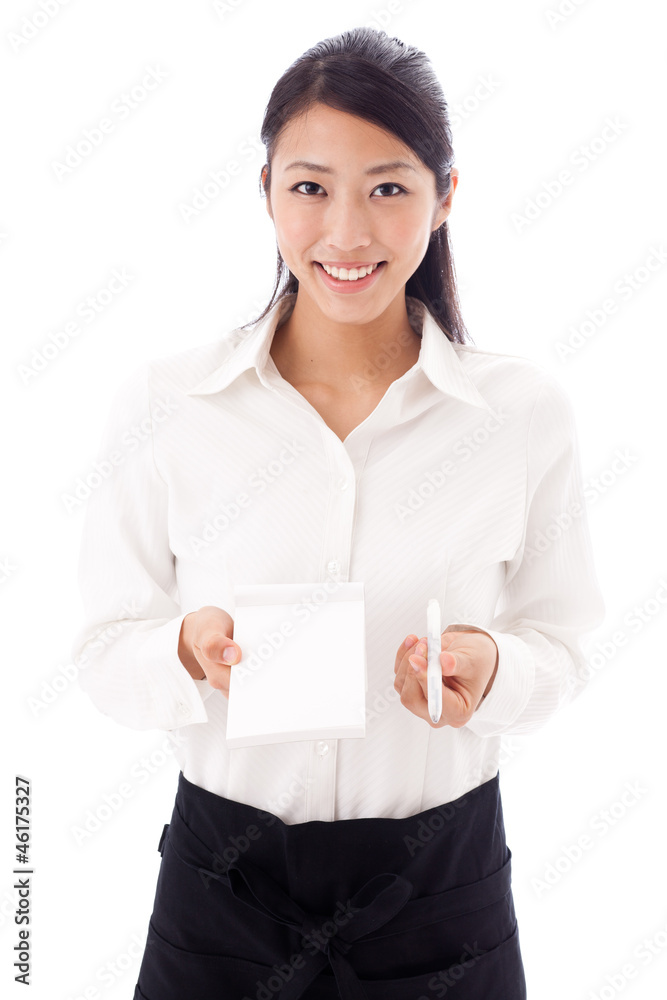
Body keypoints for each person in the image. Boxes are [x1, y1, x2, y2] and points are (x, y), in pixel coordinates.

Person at [71, 26, 606, 1000]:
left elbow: (564, 647)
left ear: (446, 197)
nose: (347, 234)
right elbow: (103, 648)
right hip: (220, 895)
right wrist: (184, 650)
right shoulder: (167, 404)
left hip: (441, 897)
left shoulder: (521, 415)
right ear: (266, 190)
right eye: (311, 187)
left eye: (389, 188)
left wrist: (491, 670)